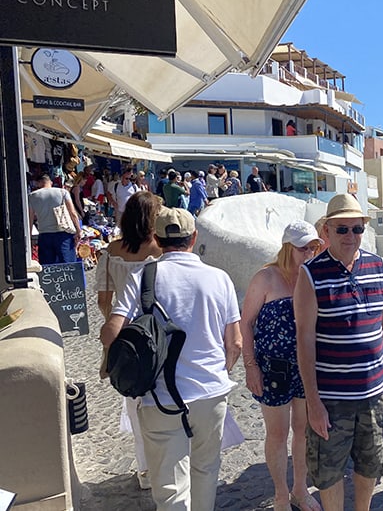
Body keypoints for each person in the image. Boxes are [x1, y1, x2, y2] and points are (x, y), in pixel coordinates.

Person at [100, 207, 242, 511]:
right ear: (194, 238)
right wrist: (218, 371)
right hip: (210, 394)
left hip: (159, 397)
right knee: (205, 471)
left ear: (156, 238)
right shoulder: (220, 278)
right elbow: (236, 343)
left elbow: (111, 333)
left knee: (170, 489)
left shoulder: (142, 276)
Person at [294, 194, 383, 511]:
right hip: (331, 398)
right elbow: (304, 340)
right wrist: (313, 402)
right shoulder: (311, 274)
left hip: (373, 394)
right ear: (326, 232)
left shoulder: (377, 265)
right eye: (342, 229)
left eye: (356, 229)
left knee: (370, 465)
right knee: (328, 473)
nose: (350, 237)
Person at [240, 221, 324, 511]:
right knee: (277, 433)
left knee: (302, 431)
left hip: (305, 367)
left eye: (313, 247)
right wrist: (250, 366)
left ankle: (300, 490)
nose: (309, 253)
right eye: (303, 248)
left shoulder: (311, 277)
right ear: (288, 248)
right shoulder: (266, 278)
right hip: (272, 368)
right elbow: (246, 323)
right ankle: (279, 494)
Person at [96, 191, 163, 490]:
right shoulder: (159, 250)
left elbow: (102, 299)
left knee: (133, 403)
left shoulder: (111, 250)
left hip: (124, 334)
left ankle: (146, 469)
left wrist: (114, 319)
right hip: (156, 331)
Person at [28, 173, 81, 264]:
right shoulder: (62, 192)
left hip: (44, 234)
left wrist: (29, 237)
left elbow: (30, 219)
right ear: (50, 182)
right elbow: (73, 213)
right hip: (63, 234)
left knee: (48, 267)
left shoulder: (32, 196)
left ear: (39, 183)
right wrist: (78, 230)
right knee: (68, 265)